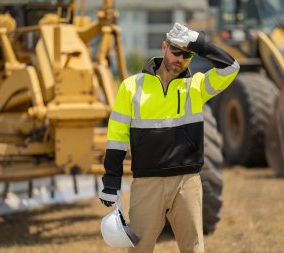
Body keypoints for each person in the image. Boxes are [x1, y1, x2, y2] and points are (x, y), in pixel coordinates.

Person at [99, 22, 240, 253]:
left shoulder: (197, 85)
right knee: (139, 249)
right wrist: (111, 180)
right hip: (147, 184)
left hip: (187, 182)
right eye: (176, 52)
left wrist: (199, 43)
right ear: (164, 47)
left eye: (187, 55)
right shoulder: (131, 87)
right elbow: (117, 137)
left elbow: (231, 67)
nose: (180, 59)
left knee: (193, 249)